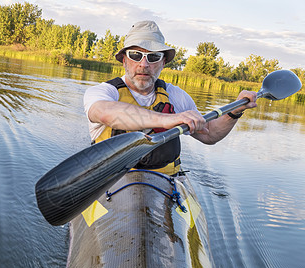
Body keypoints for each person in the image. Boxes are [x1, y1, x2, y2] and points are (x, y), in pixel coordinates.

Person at [83, 20, 257, 175]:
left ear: (163, 63)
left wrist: (235, 111)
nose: (144, 64)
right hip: (109, 184)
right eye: (135, 55)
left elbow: (209, 134)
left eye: (153, 57)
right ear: (124, 60)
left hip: (165, 184)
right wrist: (167, 120)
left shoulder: (176, 96)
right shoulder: (103, 92)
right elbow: (106, 113)